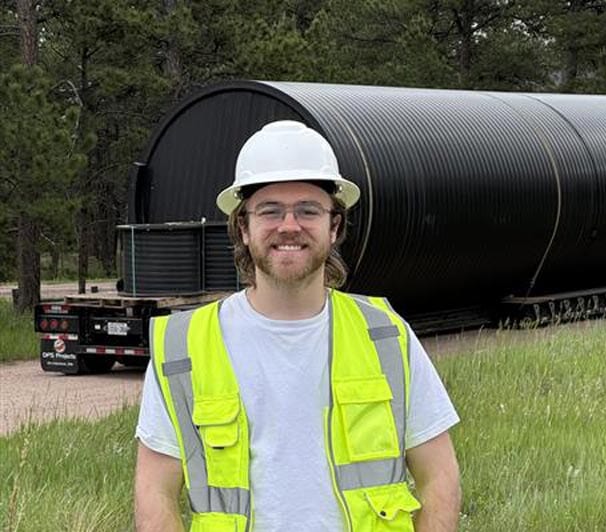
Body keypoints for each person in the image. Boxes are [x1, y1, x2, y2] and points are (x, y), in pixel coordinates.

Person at [134, 121, 461, 531]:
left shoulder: (386, 336)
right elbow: (155, 493)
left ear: (334, 226)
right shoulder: (183, 348)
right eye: (270, 210)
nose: (289, 226)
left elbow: (440, 477)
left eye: (308, 210)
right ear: (243, 227)